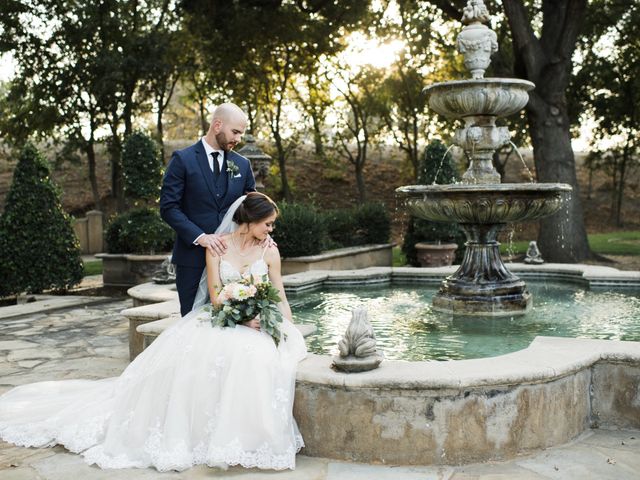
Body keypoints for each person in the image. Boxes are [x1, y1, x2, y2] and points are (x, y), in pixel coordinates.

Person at [0, 192, 308, 472]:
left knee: (259, 355)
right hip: (224, 318)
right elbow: (216, 298)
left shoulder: (269, 252)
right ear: (250, 221)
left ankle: (247, 435)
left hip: (255, 320)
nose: (271, 231)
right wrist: (242, 320)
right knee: (216, 353)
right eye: (267, 224)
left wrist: (285, 326)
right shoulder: (217, 247)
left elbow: (278, 292)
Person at [161, 102, 256, 316]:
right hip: (191, 260)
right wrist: (200, 237)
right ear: (217, 125)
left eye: (241, 134)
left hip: (233, 260)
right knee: (193, 321)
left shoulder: (242, 164)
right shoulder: (182, 160)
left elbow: (253, 209)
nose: (238, 139)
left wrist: (263, 234)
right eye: (235, 132)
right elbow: (168, 208)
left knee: (234, 322)